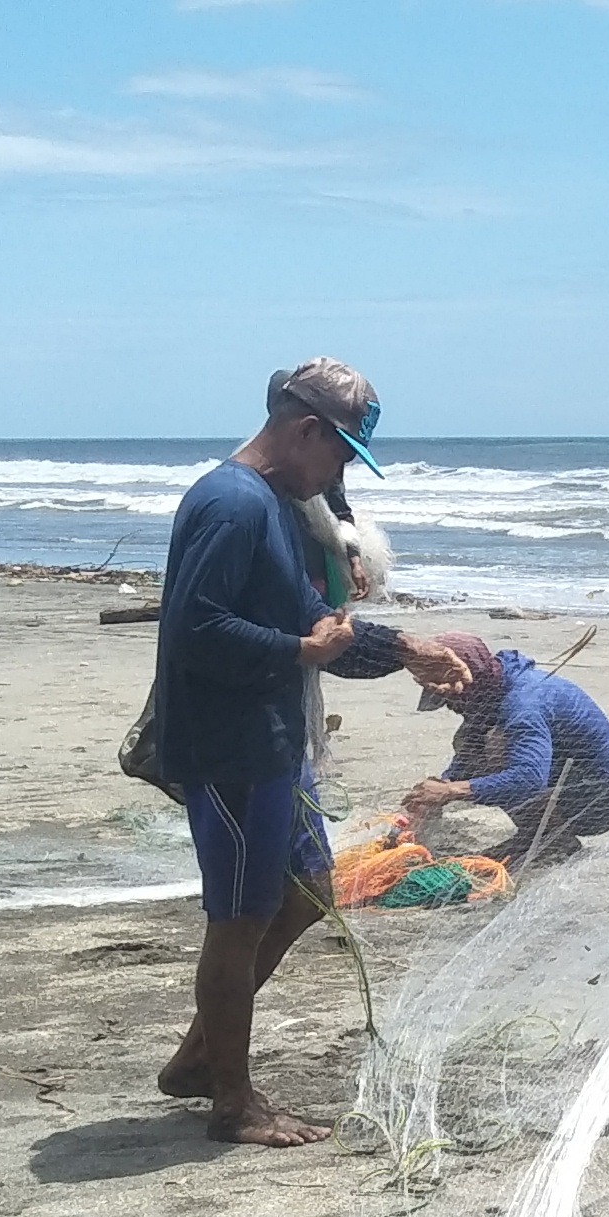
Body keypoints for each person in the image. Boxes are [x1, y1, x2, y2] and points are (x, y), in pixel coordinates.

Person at [148, 359, 409, 1144]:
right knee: (239, 918)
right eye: (339, 456)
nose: (338, 478)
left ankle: (198, 1058)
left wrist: (409, 651)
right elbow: (195, 630)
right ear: (305, 432)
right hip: (230, 748)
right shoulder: (231, 505)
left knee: (307, 892)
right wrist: (298, 648)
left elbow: (309, 620)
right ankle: (233, 1103)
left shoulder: (274, 506)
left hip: (276, 742)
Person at [401, 631, 609, 865]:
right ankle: (537, 833)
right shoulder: (491, 684)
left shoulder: (524, 704)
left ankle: (552, 840)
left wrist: (451, 791)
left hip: (599, 797)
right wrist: (439, 789)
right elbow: (471, 747)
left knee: (497, 744)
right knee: (467, 738)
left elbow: (529, 777)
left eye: (450, 698)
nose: (449, 707)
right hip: (558, 772)